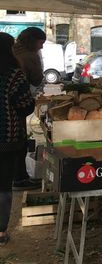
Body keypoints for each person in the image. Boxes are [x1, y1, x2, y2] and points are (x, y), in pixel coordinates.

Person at [0, 33, 35, 246]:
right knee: (3, 185)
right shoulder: (13, 75)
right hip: (6, 137)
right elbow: (25, 105)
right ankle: (1, 232)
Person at [12, 27, 46, 191]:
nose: (41, 47)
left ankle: (16, 177)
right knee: (19, 142)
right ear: (33, 41)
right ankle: (19, 179)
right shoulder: (29, 56)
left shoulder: (13, 50)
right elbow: (36, 78)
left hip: (8, 103)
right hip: (17, 103)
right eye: (41, 43)